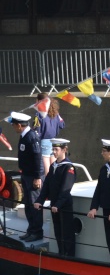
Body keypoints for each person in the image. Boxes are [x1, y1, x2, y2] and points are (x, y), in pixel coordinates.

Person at [34, 138, 76, 256]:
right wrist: (40, 200)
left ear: (64, 150)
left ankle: (69, 256)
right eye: (53, 149)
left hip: (64, 205)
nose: (54, 152)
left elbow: (65, 189)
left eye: (56, 149)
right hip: (55, 205)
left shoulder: (68, 167)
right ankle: (61, 253)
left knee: (66, 233)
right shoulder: (54, 166)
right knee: (58, 232)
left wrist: (58, 204)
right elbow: (47, 185)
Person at [9, 111, 44, 241]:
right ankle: (31, 230)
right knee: (28, 204)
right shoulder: (24, 136)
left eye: (13, 125)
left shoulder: (31, 137)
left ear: (19, 125)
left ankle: (37, 232)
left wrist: (37, 177)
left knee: (35, 205)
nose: (13, 127)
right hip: (26, 174)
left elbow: (37, 158)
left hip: (33, 177)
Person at [37, 97, 65, 177]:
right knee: (53, 162)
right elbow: (62, 124)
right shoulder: (57, 115)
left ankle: (48, 181)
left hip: (44, 141)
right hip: (53, 141)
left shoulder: (40, 114)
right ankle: (54, 179)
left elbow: (37, 129)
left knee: (46, 164)